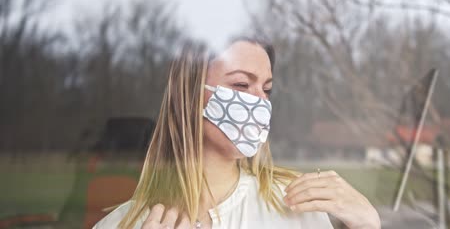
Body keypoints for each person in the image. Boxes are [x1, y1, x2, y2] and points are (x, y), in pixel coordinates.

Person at [93, 38, 381, 229]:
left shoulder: (297, 208)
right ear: (190, 95)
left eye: (266, 89)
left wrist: (368, 224)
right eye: (242, 85)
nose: (260, 101)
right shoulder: (121, 224)